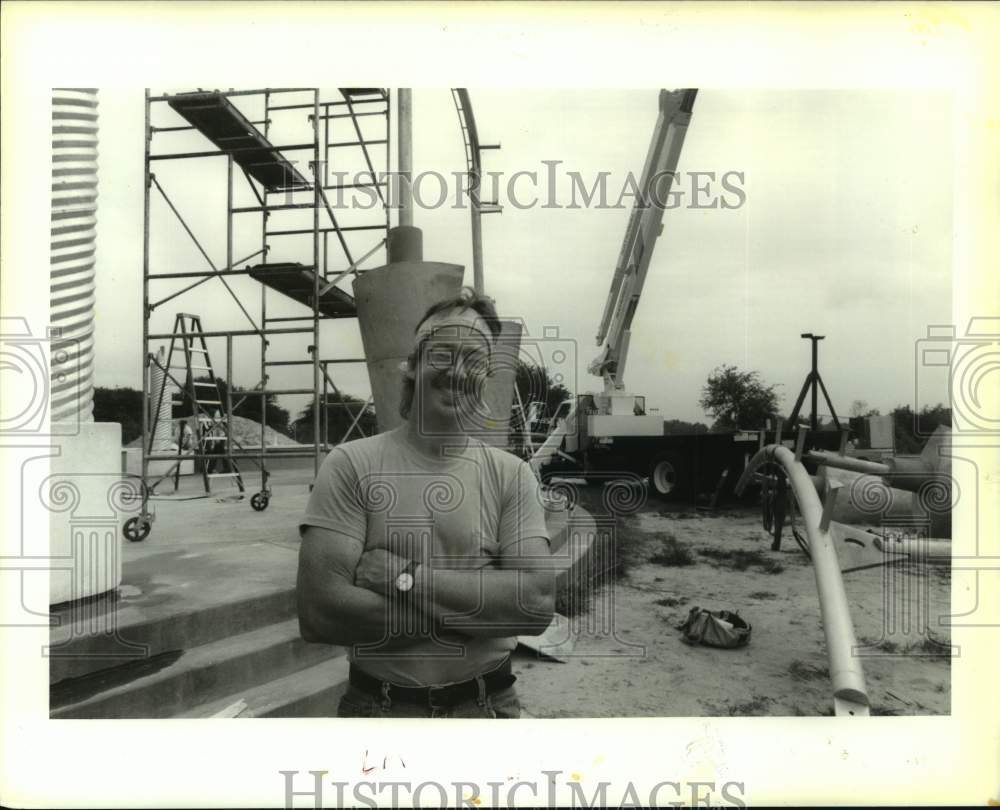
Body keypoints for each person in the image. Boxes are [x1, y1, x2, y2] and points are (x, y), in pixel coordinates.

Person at [296, 287, 556, 718]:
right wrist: (478, 613)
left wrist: (404, 577)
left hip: (488, 708)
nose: (457, 371)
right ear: (413, 366)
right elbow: (320, 613)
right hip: (379, 711)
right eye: (443, 353)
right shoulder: (351, 465)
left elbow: (535, 605)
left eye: (473, 359)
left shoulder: (512, 475)